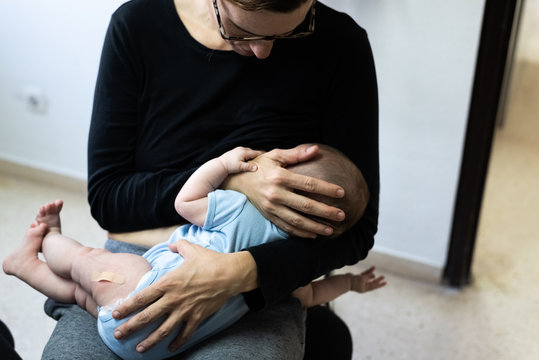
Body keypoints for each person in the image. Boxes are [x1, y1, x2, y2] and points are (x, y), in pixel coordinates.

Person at [43, 0, 379, 358]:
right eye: (242, 30)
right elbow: (111, 200)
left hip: (261, 278)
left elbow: (356, 230)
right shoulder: (138, 24)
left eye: (290, 32)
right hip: (140, 261)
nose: (263, 51)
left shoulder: (341, 43)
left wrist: (241, 271)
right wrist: (235, 182)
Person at [4, 146, 385, 359]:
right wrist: (350, 283)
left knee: (85, 261)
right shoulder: (289, 265)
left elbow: (186, 203)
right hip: (159, 344)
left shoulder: (240, 208)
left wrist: (222, 165)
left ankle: (49, 242)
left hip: (139, 293)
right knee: (81, 293)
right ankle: (24, 265)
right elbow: (312, 296)